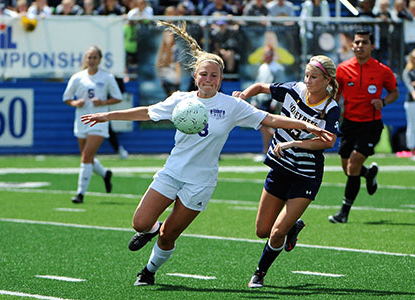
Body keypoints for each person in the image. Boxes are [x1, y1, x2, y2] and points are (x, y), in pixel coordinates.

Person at [80, 21, 333, 287]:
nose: (209, 80)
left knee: (168, 236)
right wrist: (108, 114)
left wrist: (305, 124)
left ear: (221, 79)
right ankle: (151, 231)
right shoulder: (181, 99)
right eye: (204, 75)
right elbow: (146, 111)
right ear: (195, 77)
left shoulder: (232, 105)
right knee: (140, 223)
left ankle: (149, 271)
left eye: (214, 76)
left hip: (200, 181)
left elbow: (271, 118)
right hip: (172, 172)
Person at [233, 55, 340, 288]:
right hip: (280, 168)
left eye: (314, 77)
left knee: (276, 233)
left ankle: (259, 273)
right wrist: (243, 95)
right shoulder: (294, 89)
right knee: (262, 230)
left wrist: (293, 144)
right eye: (307, 75)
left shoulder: (330, 108)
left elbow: (329, 141)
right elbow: (261, 87)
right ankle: (293, 226)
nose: (308, 80)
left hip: (306, 174)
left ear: (327, 80)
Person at [329, 30, 399, 224]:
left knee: (352, 165)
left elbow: (395, 92)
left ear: (371, 46)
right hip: (349, 123)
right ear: (352, 46)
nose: (360, 46)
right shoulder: (342, 69)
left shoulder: (382, 70)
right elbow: (336, 95)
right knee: (347, 168)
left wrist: (383, 102)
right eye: (357, 42)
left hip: (371, 124)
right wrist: (329, 113)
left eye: (364, 42)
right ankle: (369, 173)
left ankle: (344, 212)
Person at [63, 46, 121, 204]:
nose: (92, 60)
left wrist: (103, 102)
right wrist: (76, 102)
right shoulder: (77, 77)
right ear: (85, 59)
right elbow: (66, 98)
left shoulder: (107, 77)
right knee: (86, 157)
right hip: (81, 120)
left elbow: (118, 97)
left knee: (87, 156)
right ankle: (104, 174)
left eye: (95, 57)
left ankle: (80, 194)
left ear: (100, 59)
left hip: (99, 121)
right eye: (89, 57)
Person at [249, 44, 285, 162]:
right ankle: (269, 150)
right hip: (262, 100)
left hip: (270, 101)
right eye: (265, 53)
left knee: (265, 126)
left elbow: (280, 85)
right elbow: (258, 83)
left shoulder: (278, 68)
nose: (266, 56)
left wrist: (275, 101)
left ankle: (277, 146)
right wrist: (254, 99)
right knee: (263, 127)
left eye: (269, 53)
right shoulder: (263, 67)